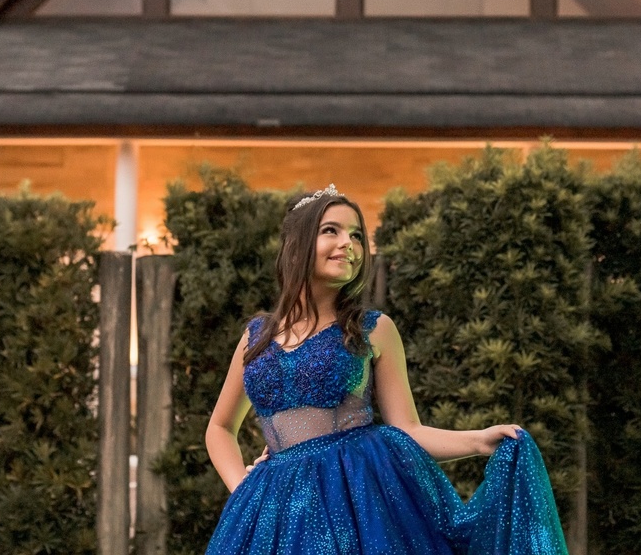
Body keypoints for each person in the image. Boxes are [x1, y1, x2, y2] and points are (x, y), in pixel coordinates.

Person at [204, 184, 569, 554]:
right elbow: (220, 427)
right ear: (296, 245)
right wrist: (242, 489)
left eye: (357, 235)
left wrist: (478, 441)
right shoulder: (257, 337)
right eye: (331, 230)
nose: (349, 244)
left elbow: (407, 428)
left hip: (357, 502)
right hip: (273, 512)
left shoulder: (372, 329)